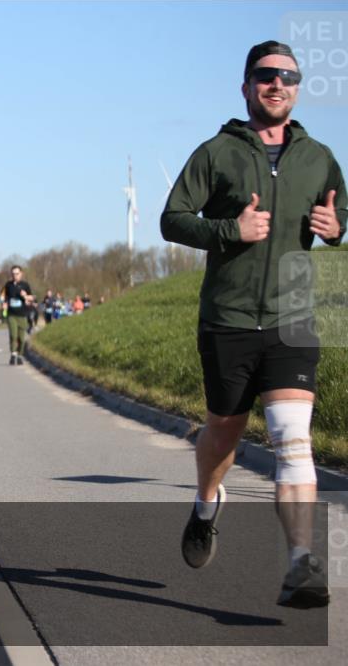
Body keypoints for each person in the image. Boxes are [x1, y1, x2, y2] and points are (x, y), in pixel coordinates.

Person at [161, 40, 345, 608]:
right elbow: (172, 219)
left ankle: (301, 563)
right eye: (266, 75)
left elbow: (345, 215)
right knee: (224, 432)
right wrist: (227, 232)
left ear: (297, 87)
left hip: (292, 320)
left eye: (288, 76)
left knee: (294, 442)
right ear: (247, 87)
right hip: (229, 320)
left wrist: (337, 228)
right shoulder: (216, 152)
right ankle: (207, 503)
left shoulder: (319, 157)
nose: (277, 84)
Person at [1, 265, 34, 365]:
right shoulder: (8, 285)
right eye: (13, 274)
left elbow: (31, 298)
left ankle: (20, 355)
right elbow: (4, 297)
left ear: (21, 274)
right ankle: (13, 354)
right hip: (11, 314)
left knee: (21, 338)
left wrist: (26, 296)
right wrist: (4, 303)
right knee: (13, 335)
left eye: (17, 274)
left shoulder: (25, 285)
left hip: (22, 314)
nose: (15, 275)